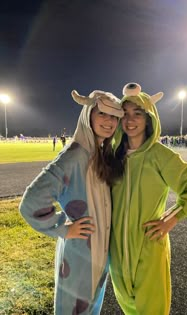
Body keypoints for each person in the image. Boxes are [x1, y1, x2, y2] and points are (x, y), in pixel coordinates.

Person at [19, 88, 124, 315]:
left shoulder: (100, 152)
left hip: (98, 254)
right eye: (102, 114)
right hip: (80, 256)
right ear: (88, 115)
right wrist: (63, 227)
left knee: (90, 308)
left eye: (115, 117)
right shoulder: (75, 155)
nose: (109, 122)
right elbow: (31, 203)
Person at [109, 83, 187, 315]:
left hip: (149, 245)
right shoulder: (113, 156)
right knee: (127, 306)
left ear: (149, 118)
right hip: (117, 250)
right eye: (124, 114)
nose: (130, 120)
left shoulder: (161, 155)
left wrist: (171, 218)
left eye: (138, 113)